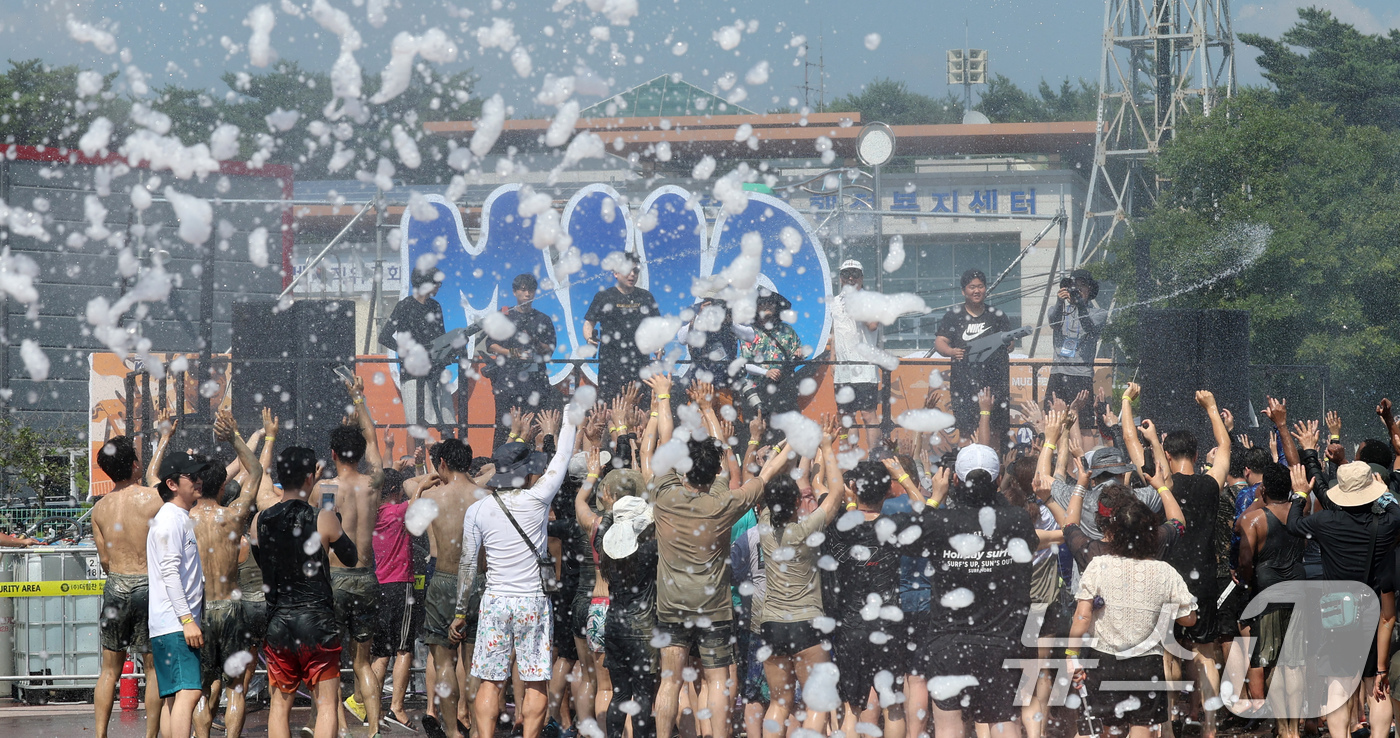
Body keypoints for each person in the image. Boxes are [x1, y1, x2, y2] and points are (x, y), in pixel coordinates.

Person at [651, 372, 791, 738]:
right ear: (716, 471)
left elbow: (664, 440)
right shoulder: (724, 503)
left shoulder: (665, 495)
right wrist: (785, 447)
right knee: (716, 681)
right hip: (713, 608)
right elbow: (762, 473)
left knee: (669, 681)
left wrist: (664, 397)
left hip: (671, 605)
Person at [448, 407, 579, 738]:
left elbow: (467, 564)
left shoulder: (478, 510)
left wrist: (460, 612)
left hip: (494, 602)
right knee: (536, 680)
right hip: (532, 603)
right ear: (524, 472)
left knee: (491, 681)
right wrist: (570, 415)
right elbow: (562, 456)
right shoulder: (538, 500)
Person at [1284, 461, 1400, 738]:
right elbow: (1396, 508)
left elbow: (1293, 525)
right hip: (1375, 613)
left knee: (1338, 682)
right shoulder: (1386, 524)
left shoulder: (1325, 523)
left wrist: (1300, 495)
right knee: (1375, 684)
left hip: (1337, 613)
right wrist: (1385, 493)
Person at [1067, 496, 1200, 738]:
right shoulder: (1164, 572)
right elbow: (1189, 619)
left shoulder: (1098, 565)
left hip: (1104, 661)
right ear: (1152, 533)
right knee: (1143, 729)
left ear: (1115, 531)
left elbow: (1082, 617)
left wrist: (1071, 655)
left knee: (1106, 730)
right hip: (1146, 664)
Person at [252, 446, 360, 738]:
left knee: (279, 704)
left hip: (279, 621)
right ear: (310, 478)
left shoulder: (260, 520)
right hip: (316, 621)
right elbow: (351, 557)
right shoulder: (322, 517)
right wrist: (334, 523)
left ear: (279, 476)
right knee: (326, 704)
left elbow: (263, 562)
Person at [754, 419, 845, 738]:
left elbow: (764, 478)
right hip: (806, 623)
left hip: (771, 625)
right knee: (817, 704)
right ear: (796, 502)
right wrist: (827, 446)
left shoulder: (764, 525)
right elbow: (836, 493)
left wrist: (788, 444)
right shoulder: (807, 530)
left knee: (779, 703)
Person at [825, 457, 923, 738]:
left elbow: (828, 493)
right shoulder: (895, 524)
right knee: (892, 704)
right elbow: (924, 510)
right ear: (887, 491)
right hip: (888, 623)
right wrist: (902, 475)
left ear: (854, 487)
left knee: (852, 707)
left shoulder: (840, 526)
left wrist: (850, 498)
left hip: (851, 625)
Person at [187, 409, 265, 738]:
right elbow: (257, 470)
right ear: (224, 486)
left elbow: (153, 481)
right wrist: (235, 436)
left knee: (203, 688)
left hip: (201, 610)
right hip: (232, 608)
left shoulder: (184, 519)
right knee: (234, 686)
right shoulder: (234, 516)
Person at [1160, 390, 1232, 738]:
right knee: (1205, 652)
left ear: (1168, 455)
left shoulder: (1165, 485)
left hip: (1169, 576)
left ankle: (1171, 722)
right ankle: (1211, 727)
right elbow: (1227, 449)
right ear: (1196, 454)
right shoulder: (1210, 484)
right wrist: (1212, 409)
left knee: (1168, 652)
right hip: (1203, 576)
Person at [322, 376, 388, 734]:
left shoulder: (327, 488)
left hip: (334, 580)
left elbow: (326, 528)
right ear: (361, 454)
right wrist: (359, 398)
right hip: (366, 578)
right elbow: (373, 438)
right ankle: (374, 729)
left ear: (333, 455)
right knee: (363, 662)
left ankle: (340, 729)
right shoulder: (373, 484)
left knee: (330, 663)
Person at [92, 434, 164, 738]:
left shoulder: (100, 509)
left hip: (116, 584)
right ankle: (150, 735)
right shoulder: (153, 498)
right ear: (135, 465)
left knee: (109, 669)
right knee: (152, 669)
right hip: (147, 584)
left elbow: (105, 561)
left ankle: (100, 735)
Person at [1235, 462, 1305, 738]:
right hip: (1299, 591)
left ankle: (1284, 729)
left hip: (1268, 595)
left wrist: (1249, 581)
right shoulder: (1300, 512)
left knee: (1272, 662)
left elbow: (1245, 562)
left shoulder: (1252, 521)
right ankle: (1296, 729)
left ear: (1263, 489)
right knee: (1295, 663)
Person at [419, 438, 483, 738]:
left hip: (443, 581)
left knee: (444, 661)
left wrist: (420, 490)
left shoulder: (434, 498)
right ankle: (478, 725)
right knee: (476, 663)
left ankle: (453, 732)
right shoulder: (485, 496)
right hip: (479, 583)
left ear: (442, 463)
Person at [148, 449, 212, 738]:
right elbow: (169, 572)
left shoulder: (176, 517)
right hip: (175, 624)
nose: (199, 480)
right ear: (172, 484)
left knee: (173, 698)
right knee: (189, 693)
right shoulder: (170, 519)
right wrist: (187, 620)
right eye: (192, 476)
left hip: (168, 623)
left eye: (200, 475)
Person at [935, 269, 1013, 449]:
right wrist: (952, 351)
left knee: (995, 428)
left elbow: (1011, 344)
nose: (976, 291)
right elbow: (940, 342)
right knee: (965, 429)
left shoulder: (997, 315)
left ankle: (992, 470)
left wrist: (1004, 346)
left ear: (986, 289)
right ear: (964, 291)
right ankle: (967, 470)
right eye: (972, 287)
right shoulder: (953, 316)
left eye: (980, 286)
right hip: (964, 383)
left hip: (995, 382)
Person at [371, 468, 424, 732]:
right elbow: (419, 494)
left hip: (377, 586)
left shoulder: (371, 514)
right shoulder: (398, 511)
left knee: (381, 652)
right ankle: (397, 707)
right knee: (404, 648)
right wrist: (425, 476)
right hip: (400, 584)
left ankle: (373, 710)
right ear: (394, 492)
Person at [487, 273, 559, 448]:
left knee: (534, 426)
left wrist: (535, 341)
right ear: (514, 292)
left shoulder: (542, 319)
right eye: (523, 290)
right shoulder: (504, 315)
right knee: (505, 426)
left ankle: (534, 465)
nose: (527, 294)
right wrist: (511, 352)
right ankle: (499, 465)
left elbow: (550, 348)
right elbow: (490, 345)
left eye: (531, 290)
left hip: (535, 382)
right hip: (508, 381)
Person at [380, 267, 455, 426]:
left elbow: (441, 337)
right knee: (415, 424)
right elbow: (384, 336)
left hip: (435, 370)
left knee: (447, 421)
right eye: (437, 283)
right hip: (412, 373)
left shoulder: (435, 306)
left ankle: (447, 450)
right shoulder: (404, 306)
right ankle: (414, 452)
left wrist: (451, 347)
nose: (439, 286)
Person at [583, 253, 659, 403]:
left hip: (639, 362)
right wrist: (589, 338)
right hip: (610, 364)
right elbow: (589, 323)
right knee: (611, 405)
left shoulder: (646, 297)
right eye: (627, 271)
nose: (632, 275)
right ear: (615, 273)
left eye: (636, 271)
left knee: (640, 405)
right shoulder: (604, 296)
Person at [829, 260, 881, 448]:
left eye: (855, 274)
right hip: (843, 368)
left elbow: (873, 325)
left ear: (862, 277)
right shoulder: (834, 302)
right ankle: (851, 458)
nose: (851, 278)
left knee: (868, 414)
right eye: (846, 274)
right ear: (841, 278)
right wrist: (832, 360)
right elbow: (836, 332)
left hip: (865, 366)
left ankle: (874, 459)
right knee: (846, 415)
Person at [1045, 269, 1104, 431]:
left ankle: (1081, 456)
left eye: (1082, 286)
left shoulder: (1098, 313)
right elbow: (1054, 323)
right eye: (1074, 286)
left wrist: (1080, 305)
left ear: (1090, 289)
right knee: (1053, 421)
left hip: (1080, 376)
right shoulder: (1058, 310)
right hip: (1058, 373)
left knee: (1082, 425)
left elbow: (1089, 326)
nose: (1077, 290)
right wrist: (1059, 301)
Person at [740, 288, 803, 418]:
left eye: (770, 302)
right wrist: (766, 372)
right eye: (762, 303)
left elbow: (797, 355)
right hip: (759, 390)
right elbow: (745, 364)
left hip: (784, 390)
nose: (766, 305)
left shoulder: (787, 330)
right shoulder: (749, 331)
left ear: (777, 307)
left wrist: (799, 354)